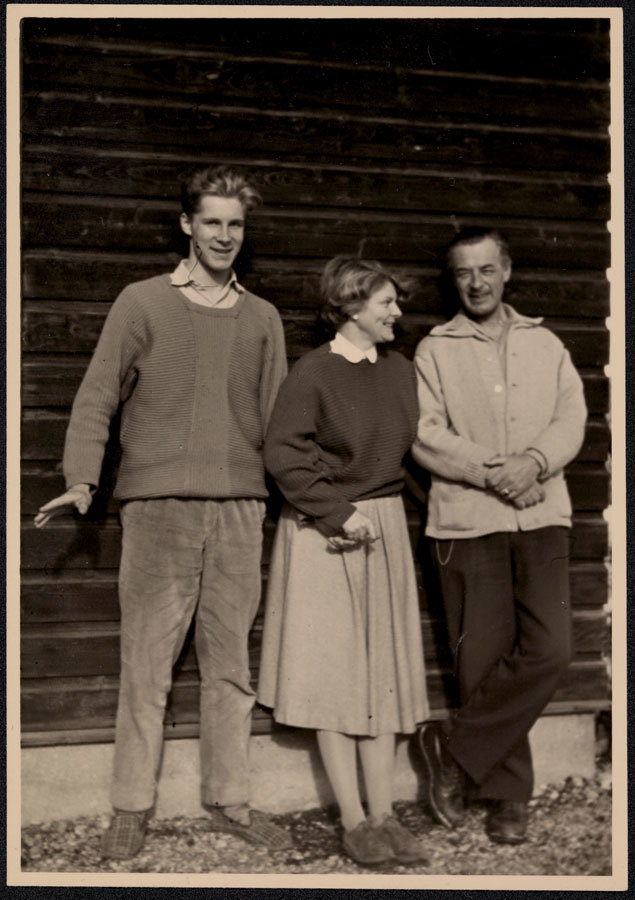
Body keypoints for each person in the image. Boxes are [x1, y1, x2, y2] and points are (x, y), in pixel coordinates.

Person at [34, 165, 292, 858]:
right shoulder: (141, 303)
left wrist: (307, 500)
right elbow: (96, 398)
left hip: (240, 512)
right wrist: (83, 480)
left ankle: (229, 797)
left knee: (230, 667)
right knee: (146, 666)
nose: (224, 236)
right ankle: (130, 805)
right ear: (186, 225)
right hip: (157, 514)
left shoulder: (263, 319)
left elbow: (278, 424)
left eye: (235, 224)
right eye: (211, 221)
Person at [412, 226, 587, 845]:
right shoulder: (435, 349)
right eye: (464, 273)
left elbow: (573, 417)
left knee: (551, 649)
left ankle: (452, 748)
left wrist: (534, 462)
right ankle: (507, 796)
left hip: (543, 518)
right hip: (469, 520)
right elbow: (426, 434)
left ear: (507, 271)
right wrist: (500, 474)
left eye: (487, 270)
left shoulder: (546, 343)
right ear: (454, 280)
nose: (477, 283)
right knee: (482, 658)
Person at [258, 256, 430, 867]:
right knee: (334, 680)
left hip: (382, 527)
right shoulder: (313, 373)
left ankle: (384, 813)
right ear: (352, 305)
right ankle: (353, 821)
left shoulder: (401, 371)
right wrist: (337, 513)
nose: (396, 314)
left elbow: (417, 452)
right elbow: (283, 454)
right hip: (324, 529)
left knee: (378, 674)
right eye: (386, 304)